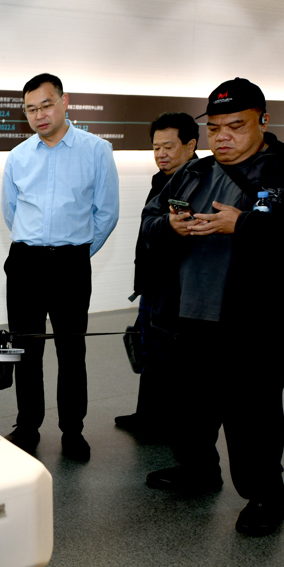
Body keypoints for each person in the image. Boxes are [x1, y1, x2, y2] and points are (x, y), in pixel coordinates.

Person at [141, 77, 284, 536]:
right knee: (190, 407)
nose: (223, 137)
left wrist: (244, 225)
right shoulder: (191, 172)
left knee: (254, 413)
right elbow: (150, 222)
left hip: (258, 321)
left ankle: (266, 495)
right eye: (215, 128)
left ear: (263, 122)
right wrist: (170, 227)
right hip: (187, 316)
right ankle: (200, 471)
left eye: (236, 126)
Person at [1, 73, 120, 462]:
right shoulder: (18, 156)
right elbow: (11, 211)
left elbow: (106, 213)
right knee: (26, 350)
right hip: (25, 262)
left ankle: (73, 431)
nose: (39, 114)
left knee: (72, 350)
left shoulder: (96, 150)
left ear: (65, 101)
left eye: (46, 104)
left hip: (71, 262)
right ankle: (28, 425)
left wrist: (76, 254)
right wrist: (35, 244)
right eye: (31, 109)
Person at [115, 113, 198, 437]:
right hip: (153, 285)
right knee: (150, 352)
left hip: (178, 291)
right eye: (156, 147)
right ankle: (147, 415)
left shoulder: (200, 181)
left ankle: (178, 431)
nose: (161, 153)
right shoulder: (160, 180)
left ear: (190, 145)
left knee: (174, 361)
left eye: (168, 146)